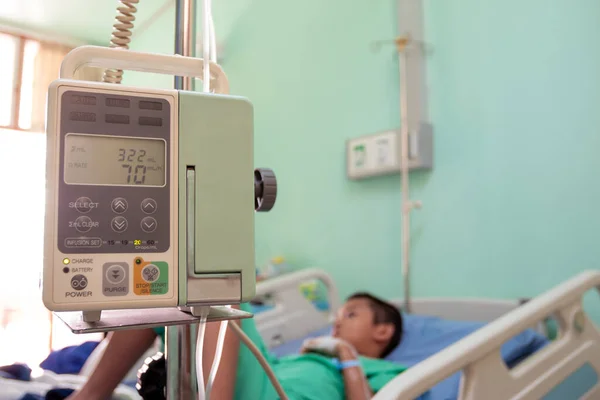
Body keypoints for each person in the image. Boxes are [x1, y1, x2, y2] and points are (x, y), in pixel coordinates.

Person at [66, 292, 406, 400]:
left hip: (271, 395)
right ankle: (87, 396)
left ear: (383, 331)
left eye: (351, 313)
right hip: (259, 380)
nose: (338, 319)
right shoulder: (307, 353)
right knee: (162, 292)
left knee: (219, 297)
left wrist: (346, 355)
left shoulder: (388, 371)